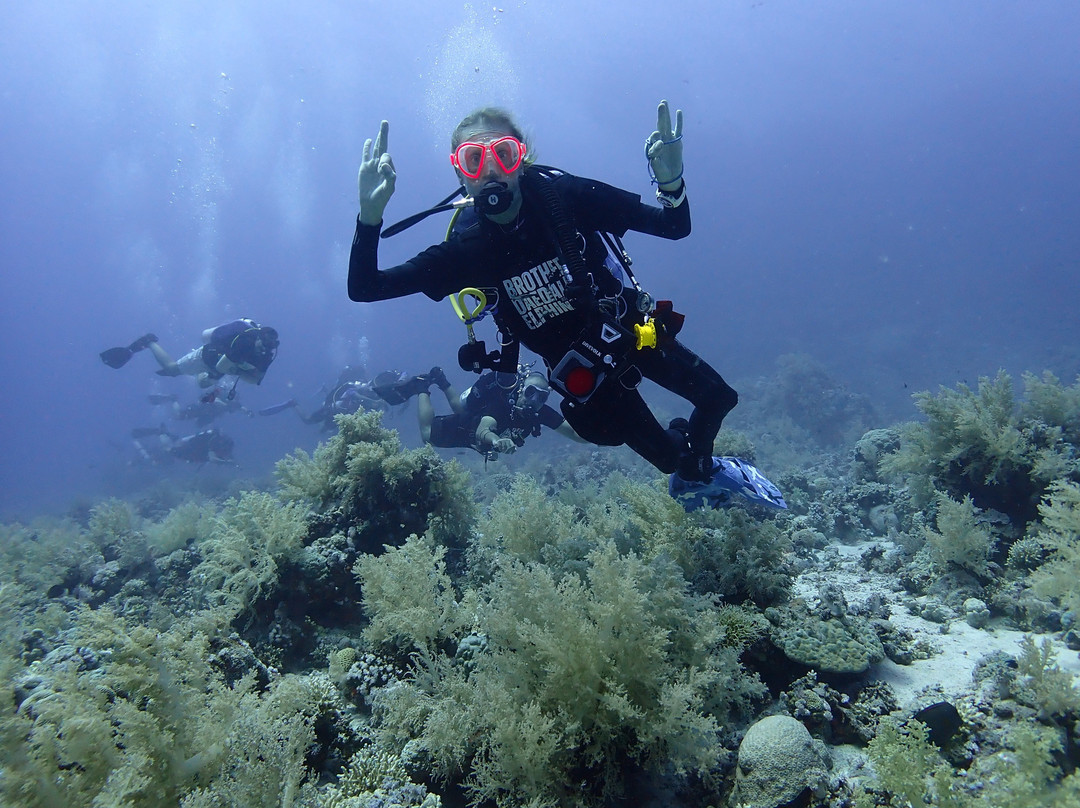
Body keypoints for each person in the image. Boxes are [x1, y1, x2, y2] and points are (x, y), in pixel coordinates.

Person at [347, 100, 740, 493]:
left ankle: (703, 464)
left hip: (629, 329)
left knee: (719, 397)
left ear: (521, 159)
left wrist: (671, 183)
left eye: (503, 153)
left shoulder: (567, 197)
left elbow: (673, 225)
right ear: (459, 173)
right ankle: (690, 465)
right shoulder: (466, 251)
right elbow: (366, 287)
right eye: (473, 159)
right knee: (671, 460)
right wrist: (369, 216)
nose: (490, 169)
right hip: (582, 370)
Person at [377, 365, 583, 457]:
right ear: (520, 390)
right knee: (427, 435)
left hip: (472, 427)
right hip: (464, 429)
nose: (535, 400)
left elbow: (574, 432)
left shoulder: (542, 413)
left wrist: (603, 436)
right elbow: (483, 430)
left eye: (542, 396)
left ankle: (441, 380)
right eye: (530, 392)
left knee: (460, 406)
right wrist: (496, 441)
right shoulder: (502, 404)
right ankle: (422, 386)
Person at [101, 318, 279, 389]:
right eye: (261, 346)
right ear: (257, 339)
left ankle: (201, 377)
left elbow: (255, 380)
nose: (262, 350)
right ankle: (149, 341)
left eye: (266, 349)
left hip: (224, 363)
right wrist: (243, 370)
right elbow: (221, 367)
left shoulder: (267, 354)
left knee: (204, 384)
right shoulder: (244, 343)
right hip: (208, 356)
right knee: (172, 370)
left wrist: (244, 370)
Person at [131, 426, 236, 467]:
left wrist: (230, 461)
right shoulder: (214, 443)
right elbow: (212, 459)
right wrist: (227, 462)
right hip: (189, 451)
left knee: (175, 445)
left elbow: (221, 456)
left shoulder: (220, 445)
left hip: (191, 451)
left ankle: (164, 433)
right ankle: (159, 432)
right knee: (169, 449)